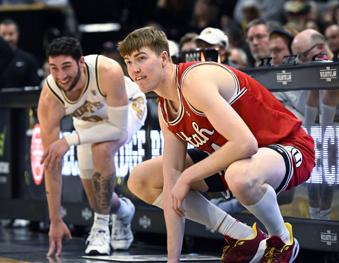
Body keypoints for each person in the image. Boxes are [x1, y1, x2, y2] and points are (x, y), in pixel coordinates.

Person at [118, 26, 315, 263]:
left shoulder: (194, 80)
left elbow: (245, 144)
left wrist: (187, 176)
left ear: (163, 58)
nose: (134, 69)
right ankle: (244, 237)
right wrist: (173, 260)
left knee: (239, 176)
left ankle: (282, 240)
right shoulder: (165, 108)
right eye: (129, 62)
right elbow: (173, 188)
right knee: (142, 179)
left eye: (141, 58)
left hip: (289, 146)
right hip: (235, 160)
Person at [37, 37, 147, 257]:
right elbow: (51, 164)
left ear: (81, 62)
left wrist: (69, 140)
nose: (61, 75)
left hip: (127, 110)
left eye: (66, 66)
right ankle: (124, 211)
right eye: (54, 68)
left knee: (102, 148)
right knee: (95, 196)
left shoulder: (107, 70)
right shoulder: (50, 96)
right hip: (89, 123)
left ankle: (100, 229)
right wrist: (55, 220)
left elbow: (116, 129)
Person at [292, 29, 338, 220]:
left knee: (328, 145)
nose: (300, 63)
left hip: (331, 135)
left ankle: (325, 214)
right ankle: (316, 216)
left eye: (303, 56)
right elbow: (308, 112)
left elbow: (331, 94)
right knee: (314, 147)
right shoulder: (308, 71)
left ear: (320, 48)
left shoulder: (332, 66)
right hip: (316, 132)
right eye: (297, 58)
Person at [0, 18, 40, 88]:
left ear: (18, 34)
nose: (7, 38)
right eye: (3, 34)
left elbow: (35, 88)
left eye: (11, 34)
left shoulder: (28, 59)